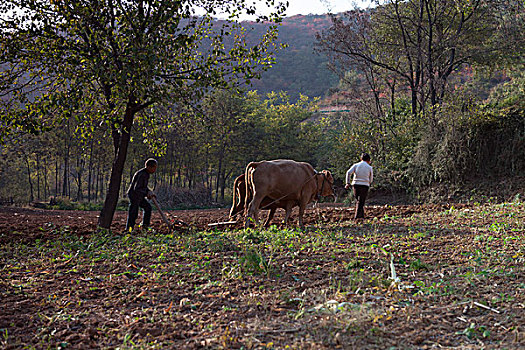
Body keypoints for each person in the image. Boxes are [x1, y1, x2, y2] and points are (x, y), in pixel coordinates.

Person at [125, 158, 157, 232]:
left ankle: (145, 226)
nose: (155, 170)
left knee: (148, 208)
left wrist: (149, 191)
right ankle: (129, 229)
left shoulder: (146, 174)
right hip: (134, 195)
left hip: (139, 196)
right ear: (149, 167)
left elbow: (144, 187)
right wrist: (147, 193)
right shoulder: (142, 174)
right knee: (133, 212)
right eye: (154, 168)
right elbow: (137, 188)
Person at [345, 153, 373, 219]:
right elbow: (371, 178)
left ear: (361, 159)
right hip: (364, 185)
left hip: (356, 185)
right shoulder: (369, 167)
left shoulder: (356, 165)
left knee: (359, 201)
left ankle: (362, 217)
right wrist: (368, 182)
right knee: (361, 202)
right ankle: (357, 217)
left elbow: (348, 173)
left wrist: (348, 183)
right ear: (368, 160)